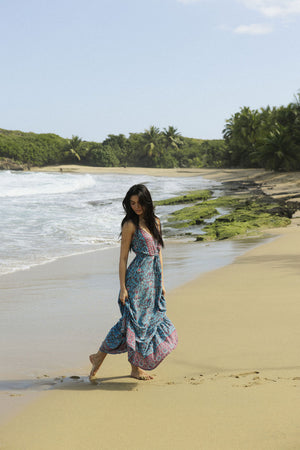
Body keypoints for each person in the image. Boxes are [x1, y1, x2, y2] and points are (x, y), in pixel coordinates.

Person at [89, 184, 178, 381]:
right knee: (130, 323)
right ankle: (115, 362)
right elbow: (122, 259)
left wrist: (161, 281)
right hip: (136, 280)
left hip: (152, 281)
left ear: (147, 201)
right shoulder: (130, 225)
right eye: (132, 203)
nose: (136, 207)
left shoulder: (155, 221)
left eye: (139, 203)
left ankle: (102, 358)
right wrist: (122, 287)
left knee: (144, 324)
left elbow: (159, 253)